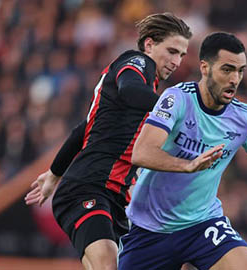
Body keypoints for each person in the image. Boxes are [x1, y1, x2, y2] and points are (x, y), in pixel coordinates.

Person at [118, 32, 247, 270]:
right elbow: (142, 152)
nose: (235, 79)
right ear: (205, 67)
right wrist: (187, 165)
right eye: (227, 69)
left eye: (240, 71)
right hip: (149, 229)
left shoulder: (245, 118)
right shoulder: (177, 99)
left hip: (202, 225)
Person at [24, 13, 192, 270]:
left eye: (181, 54)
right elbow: (130, 90)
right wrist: (180, 111)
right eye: (171, 51)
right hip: (88, 187)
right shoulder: (137, 62)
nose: (176, 61)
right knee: (106, 263)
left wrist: (55, 173)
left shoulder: (143, 92)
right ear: (149, 44)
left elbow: (83, 129)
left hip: (114, 197)